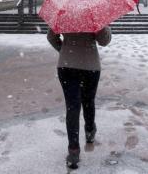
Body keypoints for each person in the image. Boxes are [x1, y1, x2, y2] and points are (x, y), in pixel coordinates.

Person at [47, 27, 112, 169]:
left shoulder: (63, 11)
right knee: (88, 101)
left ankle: (73, 152)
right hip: (90, 66)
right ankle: (89, 131)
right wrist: (103, 26)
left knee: (72, 107)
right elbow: (104, 41)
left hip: (67, 66)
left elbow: (51, 37)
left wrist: (64, 50)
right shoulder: (95, 14)